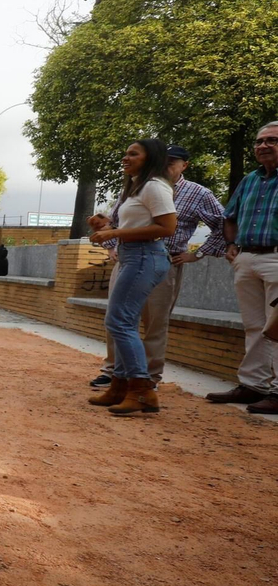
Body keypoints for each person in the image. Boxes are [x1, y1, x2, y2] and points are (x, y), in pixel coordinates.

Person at [89, 145, 225, 389]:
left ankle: (146, 380)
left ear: (185, 165)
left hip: (161, 259)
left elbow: (221, 224)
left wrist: (198, 253)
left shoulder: (192, 192)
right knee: (118, 319)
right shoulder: (136, 186)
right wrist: (109, 239)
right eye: (163, 160)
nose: (166, 165)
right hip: (128, 257)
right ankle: (116, 373)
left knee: (152, 323)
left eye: (172, 162)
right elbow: (117, 221)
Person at [86, 138, 178, 415]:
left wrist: (113, 234)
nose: (126, 158)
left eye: (133, 154)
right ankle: (120, 387)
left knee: (120, 322)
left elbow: (167, 227)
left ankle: (142, 391)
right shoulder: (137, 187)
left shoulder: (154, 187)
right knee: (120, 322)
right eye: (125, 153)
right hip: (134, 257)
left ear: (150, 158)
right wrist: (108, 224)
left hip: (144, 258)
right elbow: (141, 224)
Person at [206, 121, 278, 414]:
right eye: (259, 141)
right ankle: (253, 386)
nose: (263, 146)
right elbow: (229, 216)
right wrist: (231, 245)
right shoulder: (249, 180)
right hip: (246, 258)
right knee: (254, 326)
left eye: (272, 140)